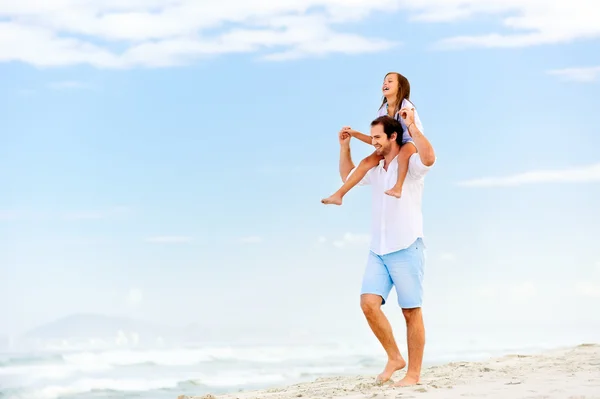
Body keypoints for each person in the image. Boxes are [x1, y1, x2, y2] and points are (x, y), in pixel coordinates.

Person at [337, 110, 435, 387]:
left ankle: (413, 374)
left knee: (410, 311)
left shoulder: (411, 166)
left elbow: (429, 158)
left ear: (393, 136)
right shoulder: (376, 167)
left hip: (406, 246)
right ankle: (395, 357)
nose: (373, 142)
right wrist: (345, 147)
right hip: (378, 250)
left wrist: (413, 126)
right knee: (368, 304)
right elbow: (348, 175)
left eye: (378, 138)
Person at [321, 72, 424, 205]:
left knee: (404, 155)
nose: (385, 84)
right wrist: (354, 134)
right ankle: (339, 195)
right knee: (366, 162)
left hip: (410, 140)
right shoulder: (383, 110)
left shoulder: (406, 106)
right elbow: (376, 140)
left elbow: (413, 133)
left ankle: (398, 187)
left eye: (390, 81)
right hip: (392, 143)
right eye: (384, 82)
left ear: (400, 87)